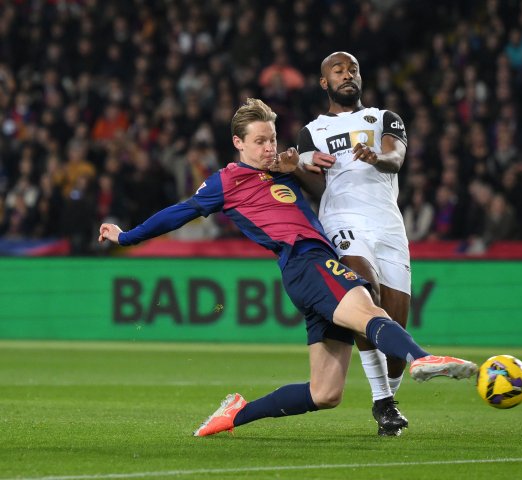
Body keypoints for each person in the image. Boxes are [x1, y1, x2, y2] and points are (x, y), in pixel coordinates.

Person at [97, 98, 478, 437]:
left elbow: (317, 180)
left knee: (326, 393)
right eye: (259, 141)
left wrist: (298, 166)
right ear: (238, 143)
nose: (268, 148)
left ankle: (236, 414)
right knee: (368, 308)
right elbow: (179, 212)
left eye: (272, 139)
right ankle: (422, 358)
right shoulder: (226, 182)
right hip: (306, 260)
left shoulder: (283, 168)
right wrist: (127, 236)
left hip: (307, 270)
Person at [294, 52, 412, 436]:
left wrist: (377, 155)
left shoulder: (384, 118)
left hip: (388, 226)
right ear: (324, 82)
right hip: (342, 222)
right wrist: (297, 167)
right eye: (338, 70)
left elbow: (396, 158)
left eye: (353, 69)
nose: (348, 75)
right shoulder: (311, 132)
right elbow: (316, 187)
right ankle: (384, 402)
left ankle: (388, 394)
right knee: (364, 291)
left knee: (395, 338)